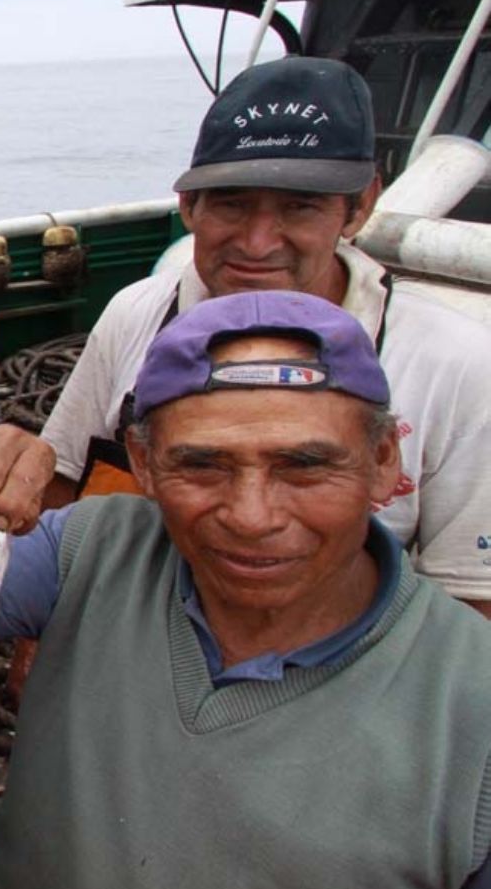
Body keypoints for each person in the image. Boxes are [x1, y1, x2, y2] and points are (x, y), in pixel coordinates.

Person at [0, 290, 491, 889]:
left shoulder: (475, 704)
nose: (252, 515)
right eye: (203, 466)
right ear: (145, 462)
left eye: (305, 465)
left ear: (383, 461)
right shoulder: (94, 545)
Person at [40, 55, 491, 607]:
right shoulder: (135, 311)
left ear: (361, 206)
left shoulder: (460, 365)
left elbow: (472, 602)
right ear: (187, 205)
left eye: (299, 208)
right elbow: (62, 488)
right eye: (231, 204)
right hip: (125, 632)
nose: (257, 244)